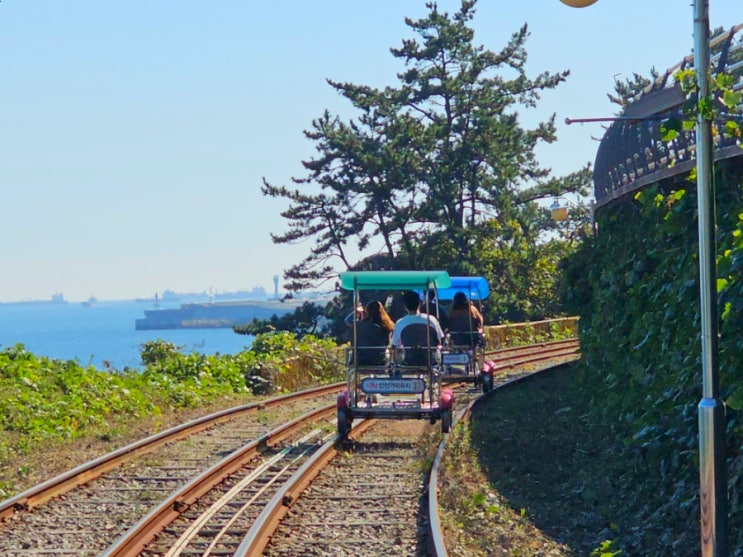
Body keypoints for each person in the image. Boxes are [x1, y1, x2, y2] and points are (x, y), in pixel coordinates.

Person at [392, 290, 445, 365]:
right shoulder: (431, 320)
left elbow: (396, 345)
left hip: (409, 361)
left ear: (405, 306)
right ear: (419, 303)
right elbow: (440, 339)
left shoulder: (400, 323)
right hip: (430, 361)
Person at [352, 300, 394, 366]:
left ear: (367, 311)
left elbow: (347, 321)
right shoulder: (385, 327)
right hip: (378, 361)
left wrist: (357, 311)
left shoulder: (359, 325)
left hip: (359, 360)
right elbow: (387, 343)